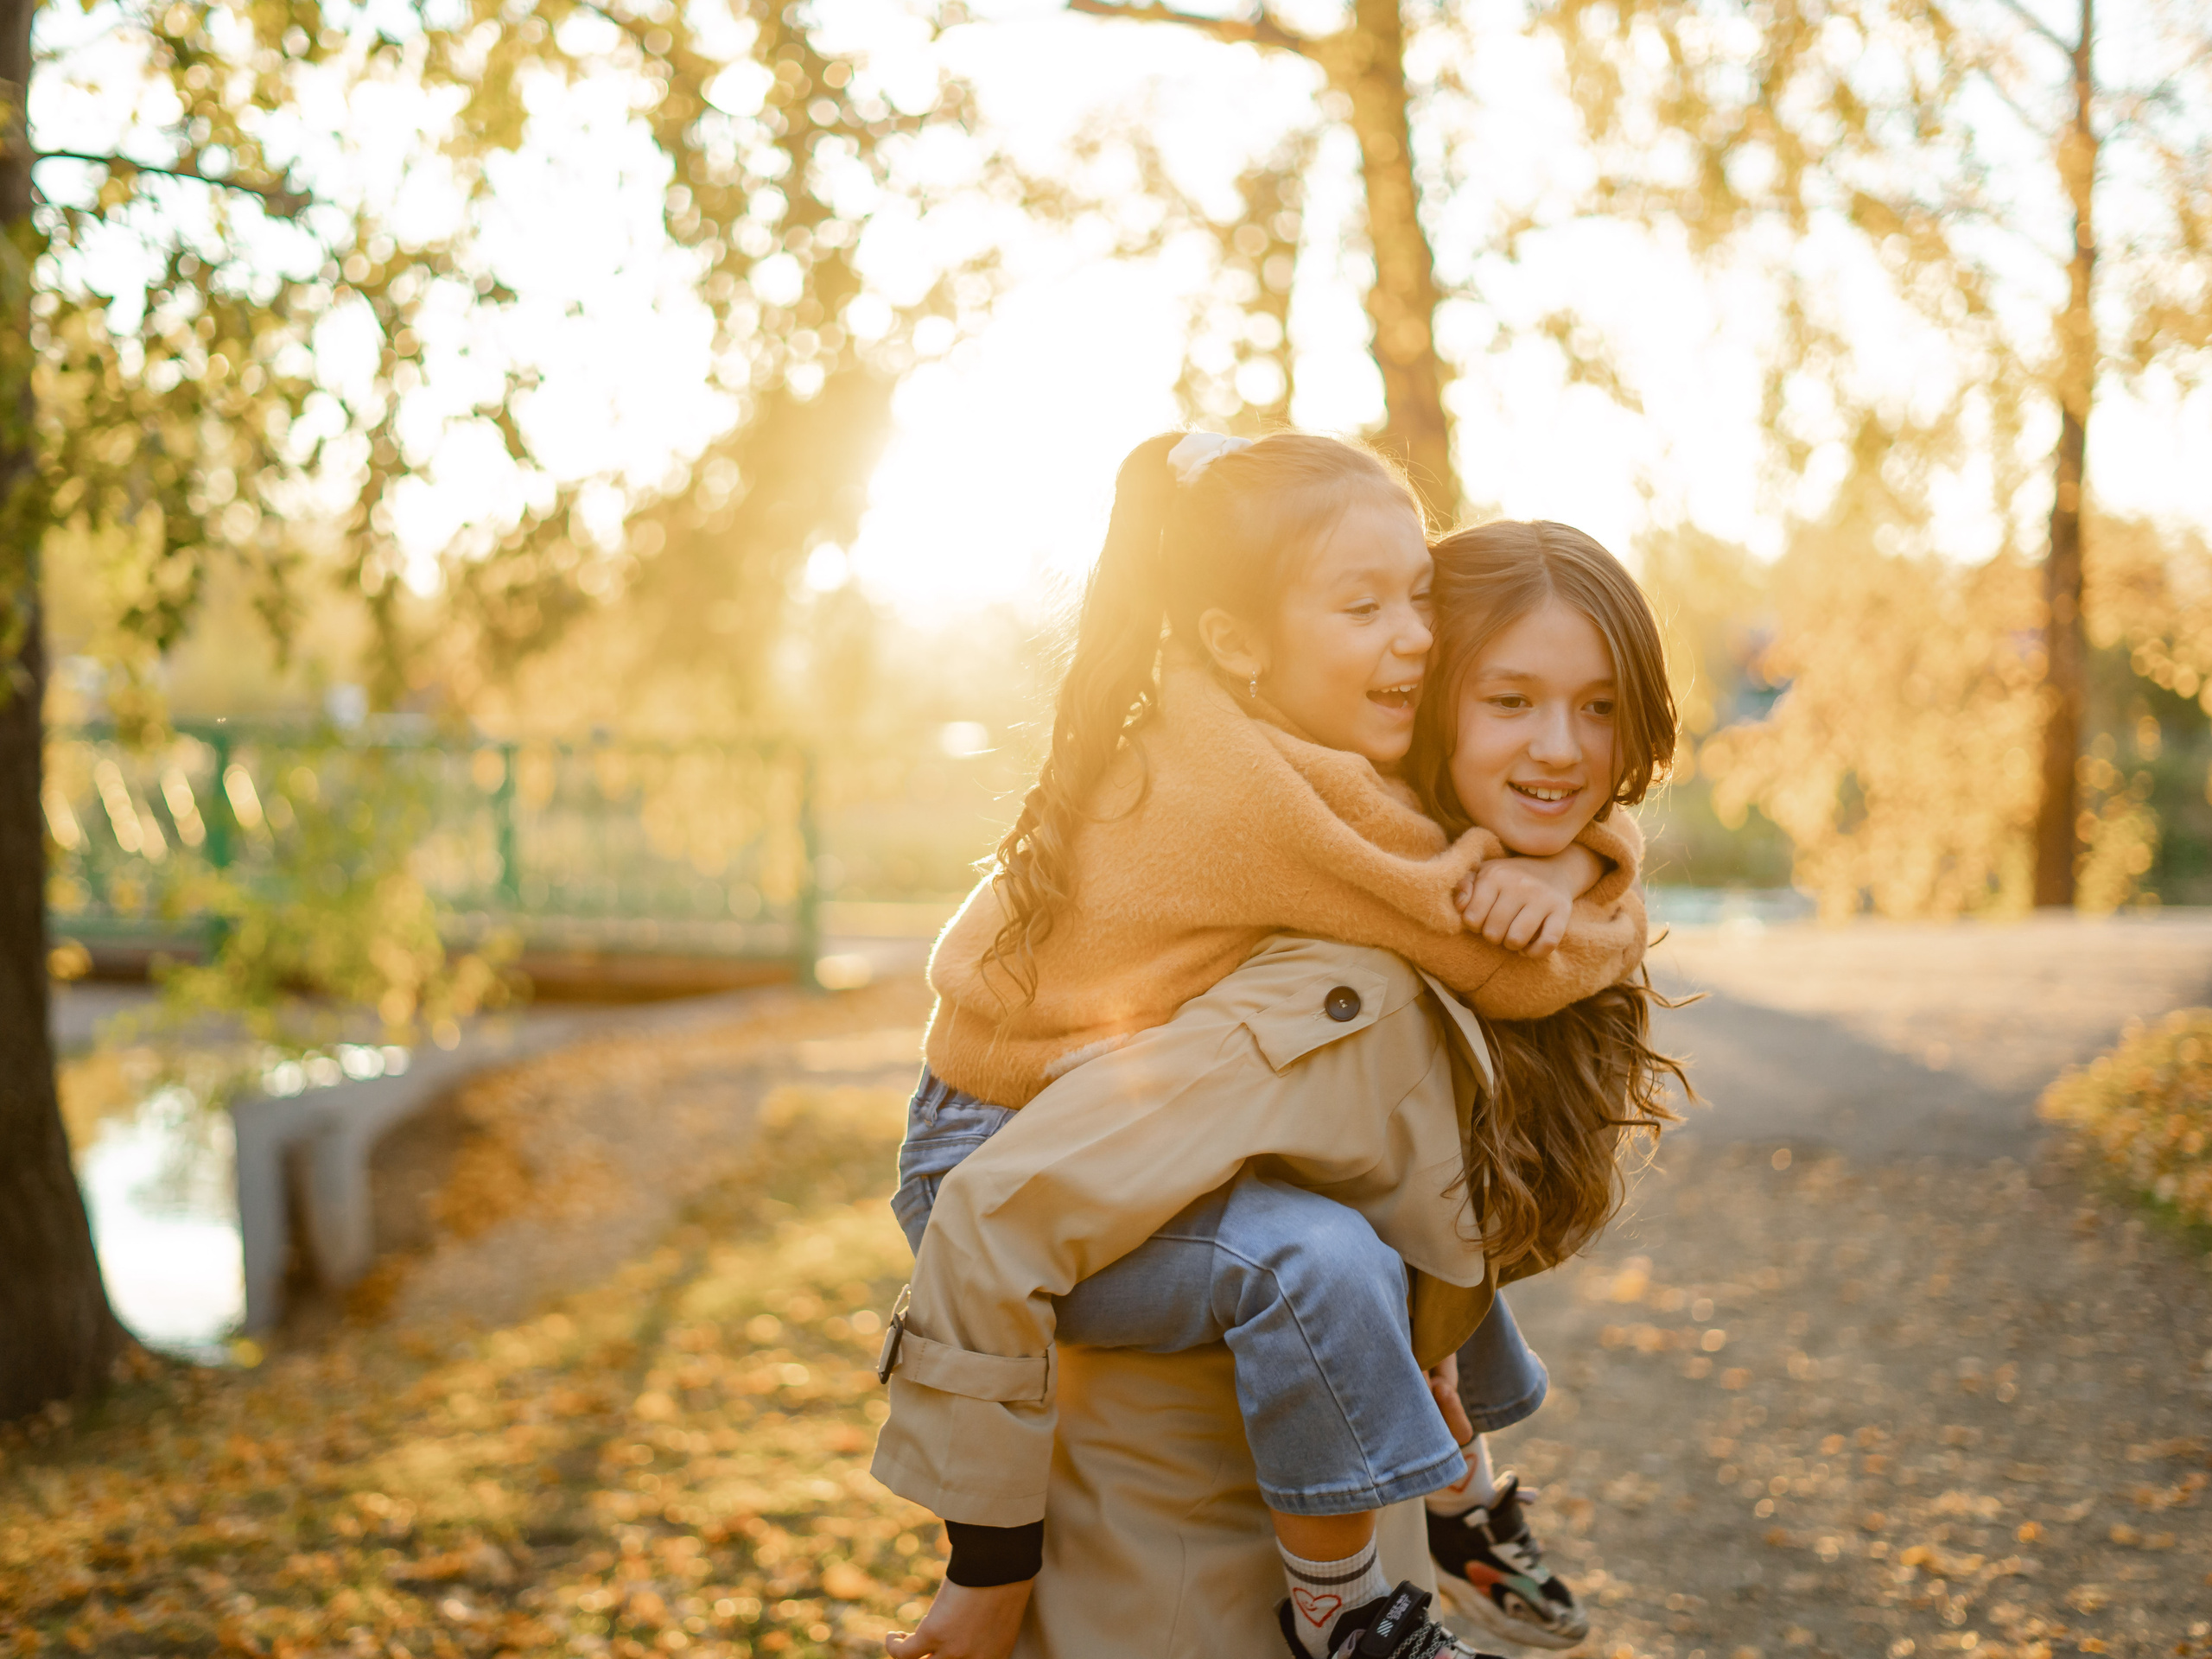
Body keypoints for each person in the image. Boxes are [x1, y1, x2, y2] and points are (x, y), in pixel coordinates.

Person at [871, 431, 1659, 1657]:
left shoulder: (1279, 740)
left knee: (1410, 1179)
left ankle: (1461, 1499)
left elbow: (1486, 847)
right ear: (1238, 639)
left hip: (1111, 1127)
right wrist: (1589, 863)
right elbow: (1513, 961)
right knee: (1315, 1255)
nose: (1413, 635)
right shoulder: (1268, 801)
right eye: (1364, 606)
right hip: (1001, 1151)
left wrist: (1568, 853)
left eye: (1417, 597)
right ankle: (1350, 1612)